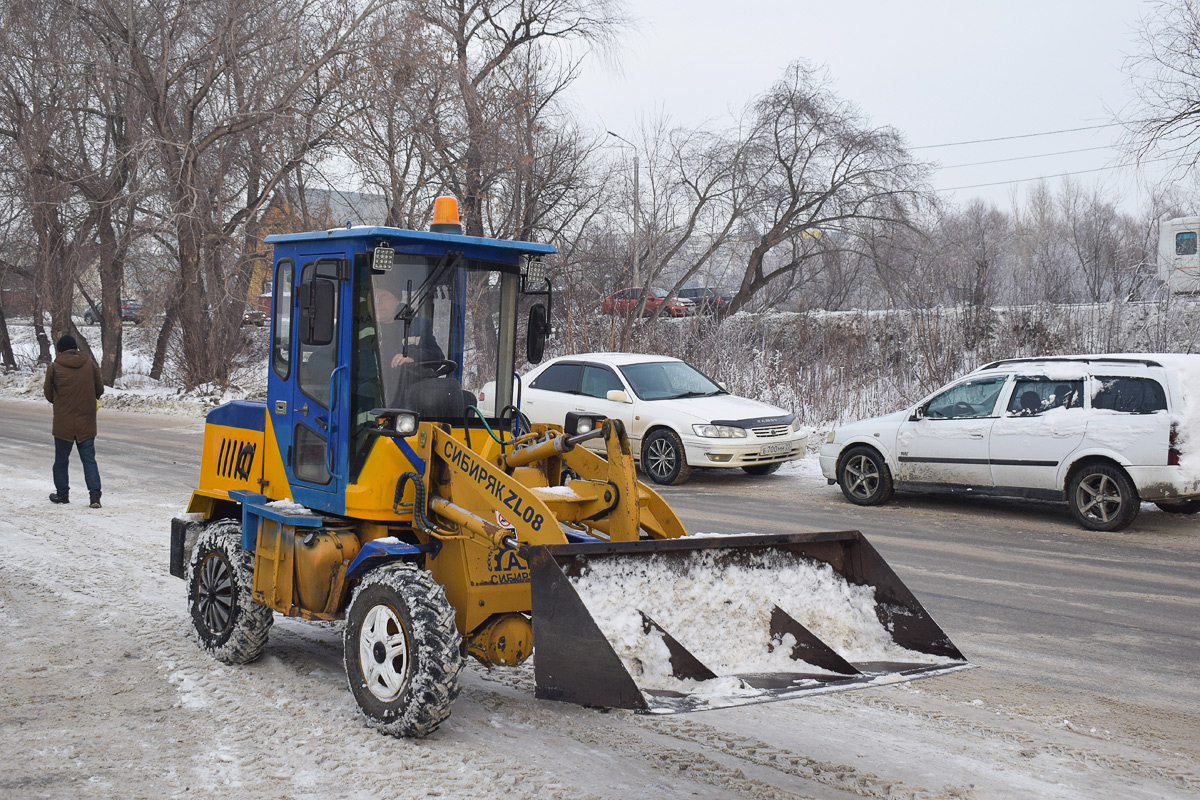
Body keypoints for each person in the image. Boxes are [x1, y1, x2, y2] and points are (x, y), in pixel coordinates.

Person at [43, 335, 104, 508]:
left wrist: (62, 403)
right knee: (89, 460)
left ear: (59, 350)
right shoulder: (90, 365)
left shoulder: (54, 367)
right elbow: (99, 389)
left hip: (63, 423)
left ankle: (62, 495)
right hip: (87, 421)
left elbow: (48, 394)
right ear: (75, 348)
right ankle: (94, 496)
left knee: (61, 460)